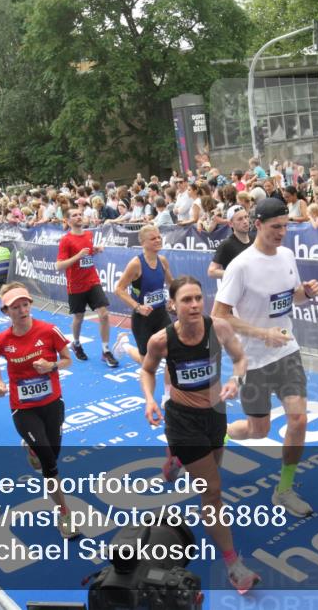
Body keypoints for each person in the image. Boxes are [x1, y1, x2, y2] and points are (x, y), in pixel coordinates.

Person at [140, 276, 261, 593]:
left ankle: (175, 460)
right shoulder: (160, 340)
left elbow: (240, 357)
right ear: (173, 305)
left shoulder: (218, 328)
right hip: (183, 421)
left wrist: (235, 379)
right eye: (186, 300)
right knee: (213, 492)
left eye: (198, 298)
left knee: (213, 473)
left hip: (215, 415)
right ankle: (234, 566)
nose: (194, 305)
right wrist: (151, 399)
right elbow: (147, 369)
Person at [212, 197, 318, 517]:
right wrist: (263, 334)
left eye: (286, 227)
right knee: (258, 430)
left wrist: (307, 293)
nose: (282, 233)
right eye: (275, 227)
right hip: (253, 359)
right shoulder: (241, 266)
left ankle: (284, 489)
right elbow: (220, 315)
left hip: (287, 351)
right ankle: (222, 433)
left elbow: (291, 297)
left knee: (298, 419)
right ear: (257, 224)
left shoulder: (287, 255)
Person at [0, 282, 77, 539]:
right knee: (49, 462)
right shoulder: (1, 340)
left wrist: (51, 365)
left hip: (52, 403)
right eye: (15, 307)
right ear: (6, 312)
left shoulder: (49, 331)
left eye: (25, 304)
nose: (22, 310)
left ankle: (30, 446)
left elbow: (68, 360)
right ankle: (65, 514)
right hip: (23, 407)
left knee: (53, 453)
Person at [56, 208, 118, 367]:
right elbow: (59, 266)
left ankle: (105, 350)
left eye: (79, 215)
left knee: (104, 314)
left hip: (92, 281)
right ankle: (76, 344)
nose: (78, 217)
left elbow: (88, 256)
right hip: (75, 285)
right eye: (74, 215)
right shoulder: (66, 240)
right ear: (68, 221)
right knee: (79, 317)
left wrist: (95, 250)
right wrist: (78, 256)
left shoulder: (89, 235)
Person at [112, 225, 174, 366]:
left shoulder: (162, 261)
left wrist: (173, 298)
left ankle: (172, 387)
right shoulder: (136, 264)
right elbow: (119, 289)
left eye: (159, 237)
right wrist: (138, 307)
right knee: (147, 363)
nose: (158, 240)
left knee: (173, 351)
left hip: (161, 315)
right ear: (143, 243)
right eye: (153, 238)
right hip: (142, 319)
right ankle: (125, 345)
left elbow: (171, 283)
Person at [208, 206, 253, 279]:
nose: (245, 221)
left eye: (246, 217)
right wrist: (236, 274)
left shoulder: (255, 240)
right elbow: (211, 271)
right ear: (230, 224)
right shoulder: (226, 244)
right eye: (240, 219)